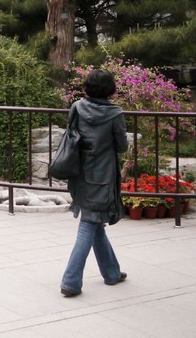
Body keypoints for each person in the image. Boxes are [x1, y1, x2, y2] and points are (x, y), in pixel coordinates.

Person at [60, 69, 128, 297]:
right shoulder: (115, 113)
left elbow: (71, 136)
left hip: (80, 173)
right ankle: (70, 281)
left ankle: (111, 272)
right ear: (110, 89)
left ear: (87, 86)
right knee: (89, 223)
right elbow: (122, 147)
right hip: (102, 176)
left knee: (95, 222)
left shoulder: (77, 107)